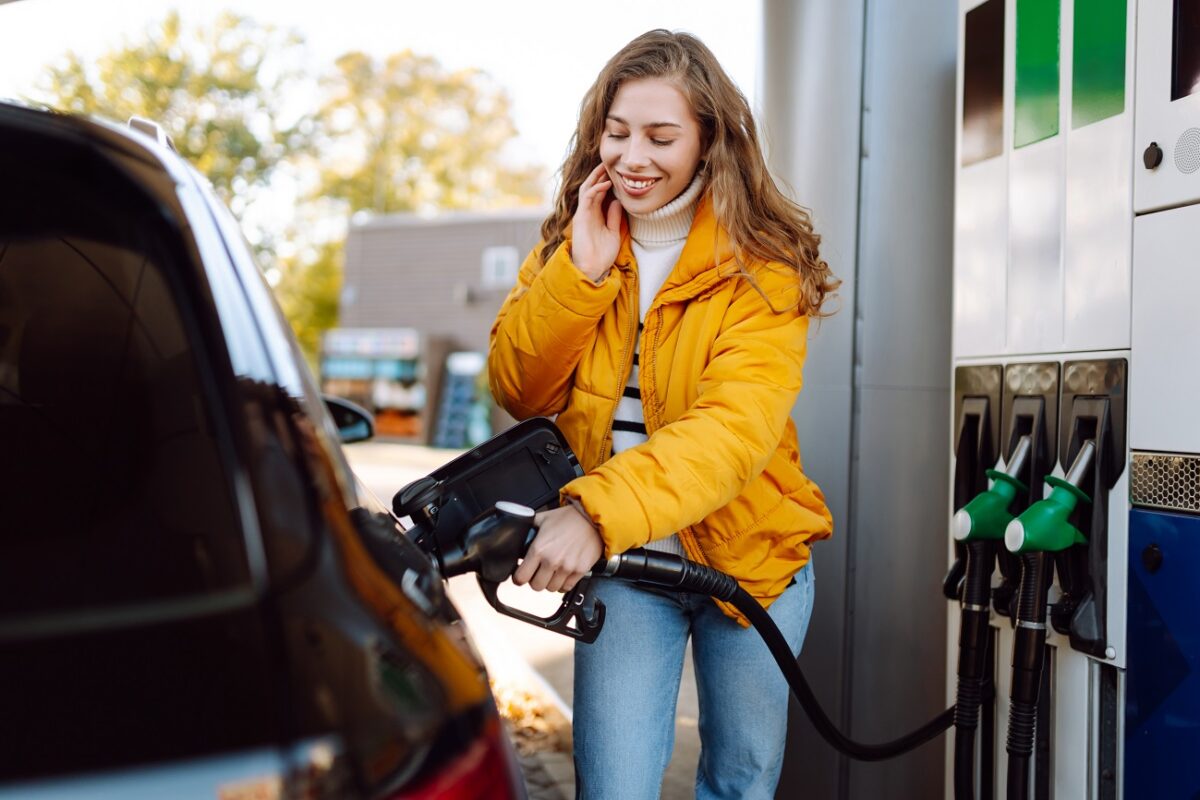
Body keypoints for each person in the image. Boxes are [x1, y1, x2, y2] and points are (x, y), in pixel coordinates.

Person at [487, 29, 838, 800]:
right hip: (625, 565)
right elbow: (517, 385)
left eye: (660, 136)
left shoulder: (762, 265)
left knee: (737, 788)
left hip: (750, 559)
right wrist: (577, 274)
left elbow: (731, 432)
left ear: (711, 142)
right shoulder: (575, 244)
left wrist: (592, 512)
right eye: (616, 133)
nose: (632, 157)